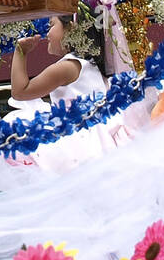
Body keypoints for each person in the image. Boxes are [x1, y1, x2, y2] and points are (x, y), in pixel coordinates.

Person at [7, 15, 115, 173]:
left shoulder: (68, 66)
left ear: (70, 28)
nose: (47, 33)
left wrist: (20, 51)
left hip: (77, 143)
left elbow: (20, 92)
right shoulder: (93, 65)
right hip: (97, 140)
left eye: (51, 25)